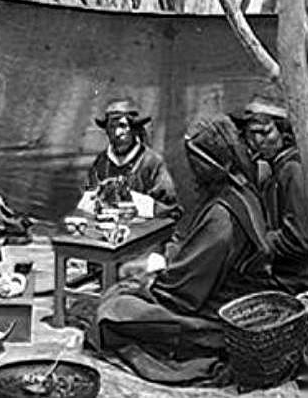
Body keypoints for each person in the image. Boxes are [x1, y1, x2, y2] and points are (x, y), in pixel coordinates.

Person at [87, 113, 272, 387]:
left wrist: (148, 282)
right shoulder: (239, 193)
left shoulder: (222, 215)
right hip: (209, 289)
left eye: (194, 163)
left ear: (208, 164)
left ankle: (199, 346)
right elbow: (195, 253)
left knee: (113, 310)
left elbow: (185, 291)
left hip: (218, 311)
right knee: (122, 288)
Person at [236, 96, 308, 294]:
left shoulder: (292, 170)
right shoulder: (276, 170)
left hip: (299, 277)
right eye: (251, 134)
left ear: (282, 131)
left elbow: (299, 238)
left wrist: (260, 243)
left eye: (265, 132)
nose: (256, 141)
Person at [82, 98, 181, 220]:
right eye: (112, 127)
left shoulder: (151, 162)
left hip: (146, 231)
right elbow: (89, 198)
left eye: (123, 126)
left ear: (134, 129)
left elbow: (170, 208)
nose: (117, 133)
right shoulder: (102, 162)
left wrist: (140, 205)